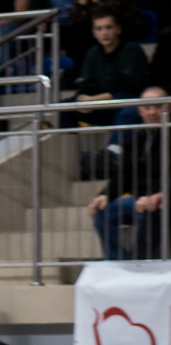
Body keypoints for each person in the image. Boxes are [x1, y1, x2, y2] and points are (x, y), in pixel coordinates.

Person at [88, 87, 166, 261]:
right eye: (147, 107)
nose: (152, 112)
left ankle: (143, 262)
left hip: (162, 200)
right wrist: (105, 195)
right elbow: (126, 174)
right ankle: (120, 263)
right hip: (140, 199)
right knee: (103, 210)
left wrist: (156, 196)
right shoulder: (138, 137)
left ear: (168, 108)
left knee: (147, 210)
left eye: (158, 106)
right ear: (140, 111)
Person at [70, 9, 148, 127]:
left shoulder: (132, 49)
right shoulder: (92, 52)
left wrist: (94, 99)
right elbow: (87, 83)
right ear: (94, 33)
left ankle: (118, 139)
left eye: (108, 27)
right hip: (99, 103)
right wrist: (83, 98)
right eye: (99, 29)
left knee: (120, 99)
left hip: (126, 101)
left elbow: (127, 87)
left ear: (118, 29)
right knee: (65, 107)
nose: (104, 33)